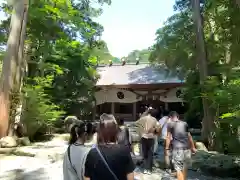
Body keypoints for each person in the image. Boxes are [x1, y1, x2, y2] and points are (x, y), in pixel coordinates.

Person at [84, 114, 135, 180]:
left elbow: (87, 177)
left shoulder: (92, 153)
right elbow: (130, 177)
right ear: (115, 131)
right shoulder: (124, 151)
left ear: (100, 131)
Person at [165, 111, 197, 180]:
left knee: (178, 169)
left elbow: (168, 137)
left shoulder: (170, 124)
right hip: (187, 149)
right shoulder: (185, 123)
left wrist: (167, 149)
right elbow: (189, 136)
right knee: (185, 167)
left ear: (170, 117)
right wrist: (193, 147)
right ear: (178, 117)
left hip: (177, 149)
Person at [135, 108, 160, 174]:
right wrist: (155, 131)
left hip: (143, 137)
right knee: (150, 153)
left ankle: (145, 169)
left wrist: (141, 132)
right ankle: (149, 169)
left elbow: (136, 124)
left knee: (144, 153)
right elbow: (157, 129)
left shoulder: (142, 118)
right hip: (151, 137)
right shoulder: (154, 119)